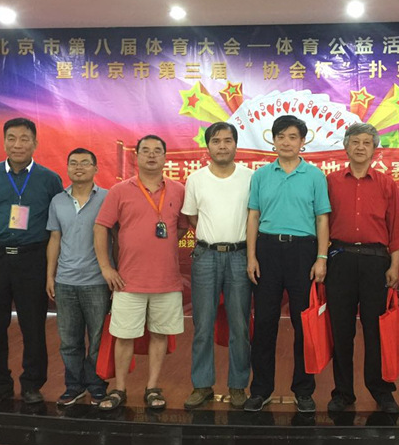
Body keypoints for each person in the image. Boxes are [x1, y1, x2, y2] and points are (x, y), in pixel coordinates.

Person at [0, 117, 64, 408]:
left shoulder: (49, 179)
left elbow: (57, 223)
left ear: (35, 143)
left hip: (32, 258)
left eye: (24, 139)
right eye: (11, 138)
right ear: (4, 142)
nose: (17, 144)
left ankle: (32, 385)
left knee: (33, 325)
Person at [93, 134, 188, 411]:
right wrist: (106, 267)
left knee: (160, 334)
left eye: (157, 150)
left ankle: (152, 387)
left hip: (166, 280)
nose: (151, 155)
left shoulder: (178, 190)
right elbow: (101, 227)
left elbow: (181, 227)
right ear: (137, 156)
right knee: (124, 336)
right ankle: (119, 389)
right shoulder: (120, 190)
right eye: (145, 150)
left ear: (165, 157)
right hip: (128, 280)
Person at [244, 115, 331, 413]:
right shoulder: (261, 175)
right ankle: (261, 389)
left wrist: (321, 258)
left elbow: (322, 219)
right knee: (264, 323)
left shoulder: (315, 176)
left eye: (293, 137)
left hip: (303, 253)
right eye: (280, 136)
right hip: (267, 251)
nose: (286, 142)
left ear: (302, 141)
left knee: (304, 325)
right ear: (273, 140)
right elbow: (253, 217)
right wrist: (251, 256)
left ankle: (303, 391)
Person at [325, 123, 399, 415]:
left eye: (366, 143)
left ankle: (381, 390)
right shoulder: (331, 181)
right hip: (340, 260)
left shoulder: (386, 183)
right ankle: (343, 392)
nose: (360, 147)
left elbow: (395, 227)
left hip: (376, 262)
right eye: (355, 142)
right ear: (346, 146)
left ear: (374, 149)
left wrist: (395, 265)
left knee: (376, 331)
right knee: (341, 331)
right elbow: (320, 222)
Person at [181, 122, 253, 410]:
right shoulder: (196, 179)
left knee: (240, 325)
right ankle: (202, 385)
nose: (222, 146)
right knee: (202, 325)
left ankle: (237, 386)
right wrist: (213, 237)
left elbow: (255, 216)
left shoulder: (250, 177)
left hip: (240, 256)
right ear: (208, 146)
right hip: (206, 256)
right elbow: (192, 218)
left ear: (236, 144)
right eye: (216, 140)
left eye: (227, 140)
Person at [46, 148, 111, 407]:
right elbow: (55, 238)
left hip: (97, 282)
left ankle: (97, 385)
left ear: (96, 168)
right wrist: (50, 275)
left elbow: (117, 238)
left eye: (85, 163)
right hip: (65, 281)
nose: (79, 167)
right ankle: (74, 386)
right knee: (69, 340)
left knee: (97, 339)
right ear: (67, 168)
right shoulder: (57, 201)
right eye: (73, 163)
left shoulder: (108, 197)